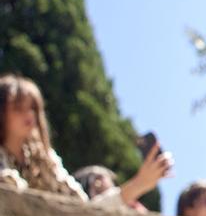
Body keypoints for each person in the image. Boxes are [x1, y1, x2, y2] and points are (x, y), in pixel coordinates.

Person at [0, 74, 170, 207]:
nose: (30, 115)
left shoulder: (45, 161)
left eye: (33, 108)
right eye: (19, 107)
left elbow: (82, 210)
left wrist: (139, 184)